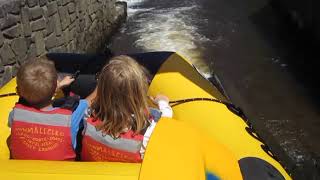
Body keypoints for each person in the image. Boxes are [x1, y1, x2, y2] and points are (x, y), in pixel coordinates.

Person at [81, 55, 173, 162]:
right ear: (139, 94)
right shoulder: (148, 134)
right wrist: (163, 102)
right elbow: (166, 119)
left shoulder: (87, 115)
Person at [8, 58, 95, 160]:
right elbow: (90, 101)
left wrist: (56, 87)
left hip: (21, 172)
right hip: (62, 173)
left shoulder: (14, 115)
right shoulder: (70, 118)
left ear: (18, 92)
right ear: (55, 87)